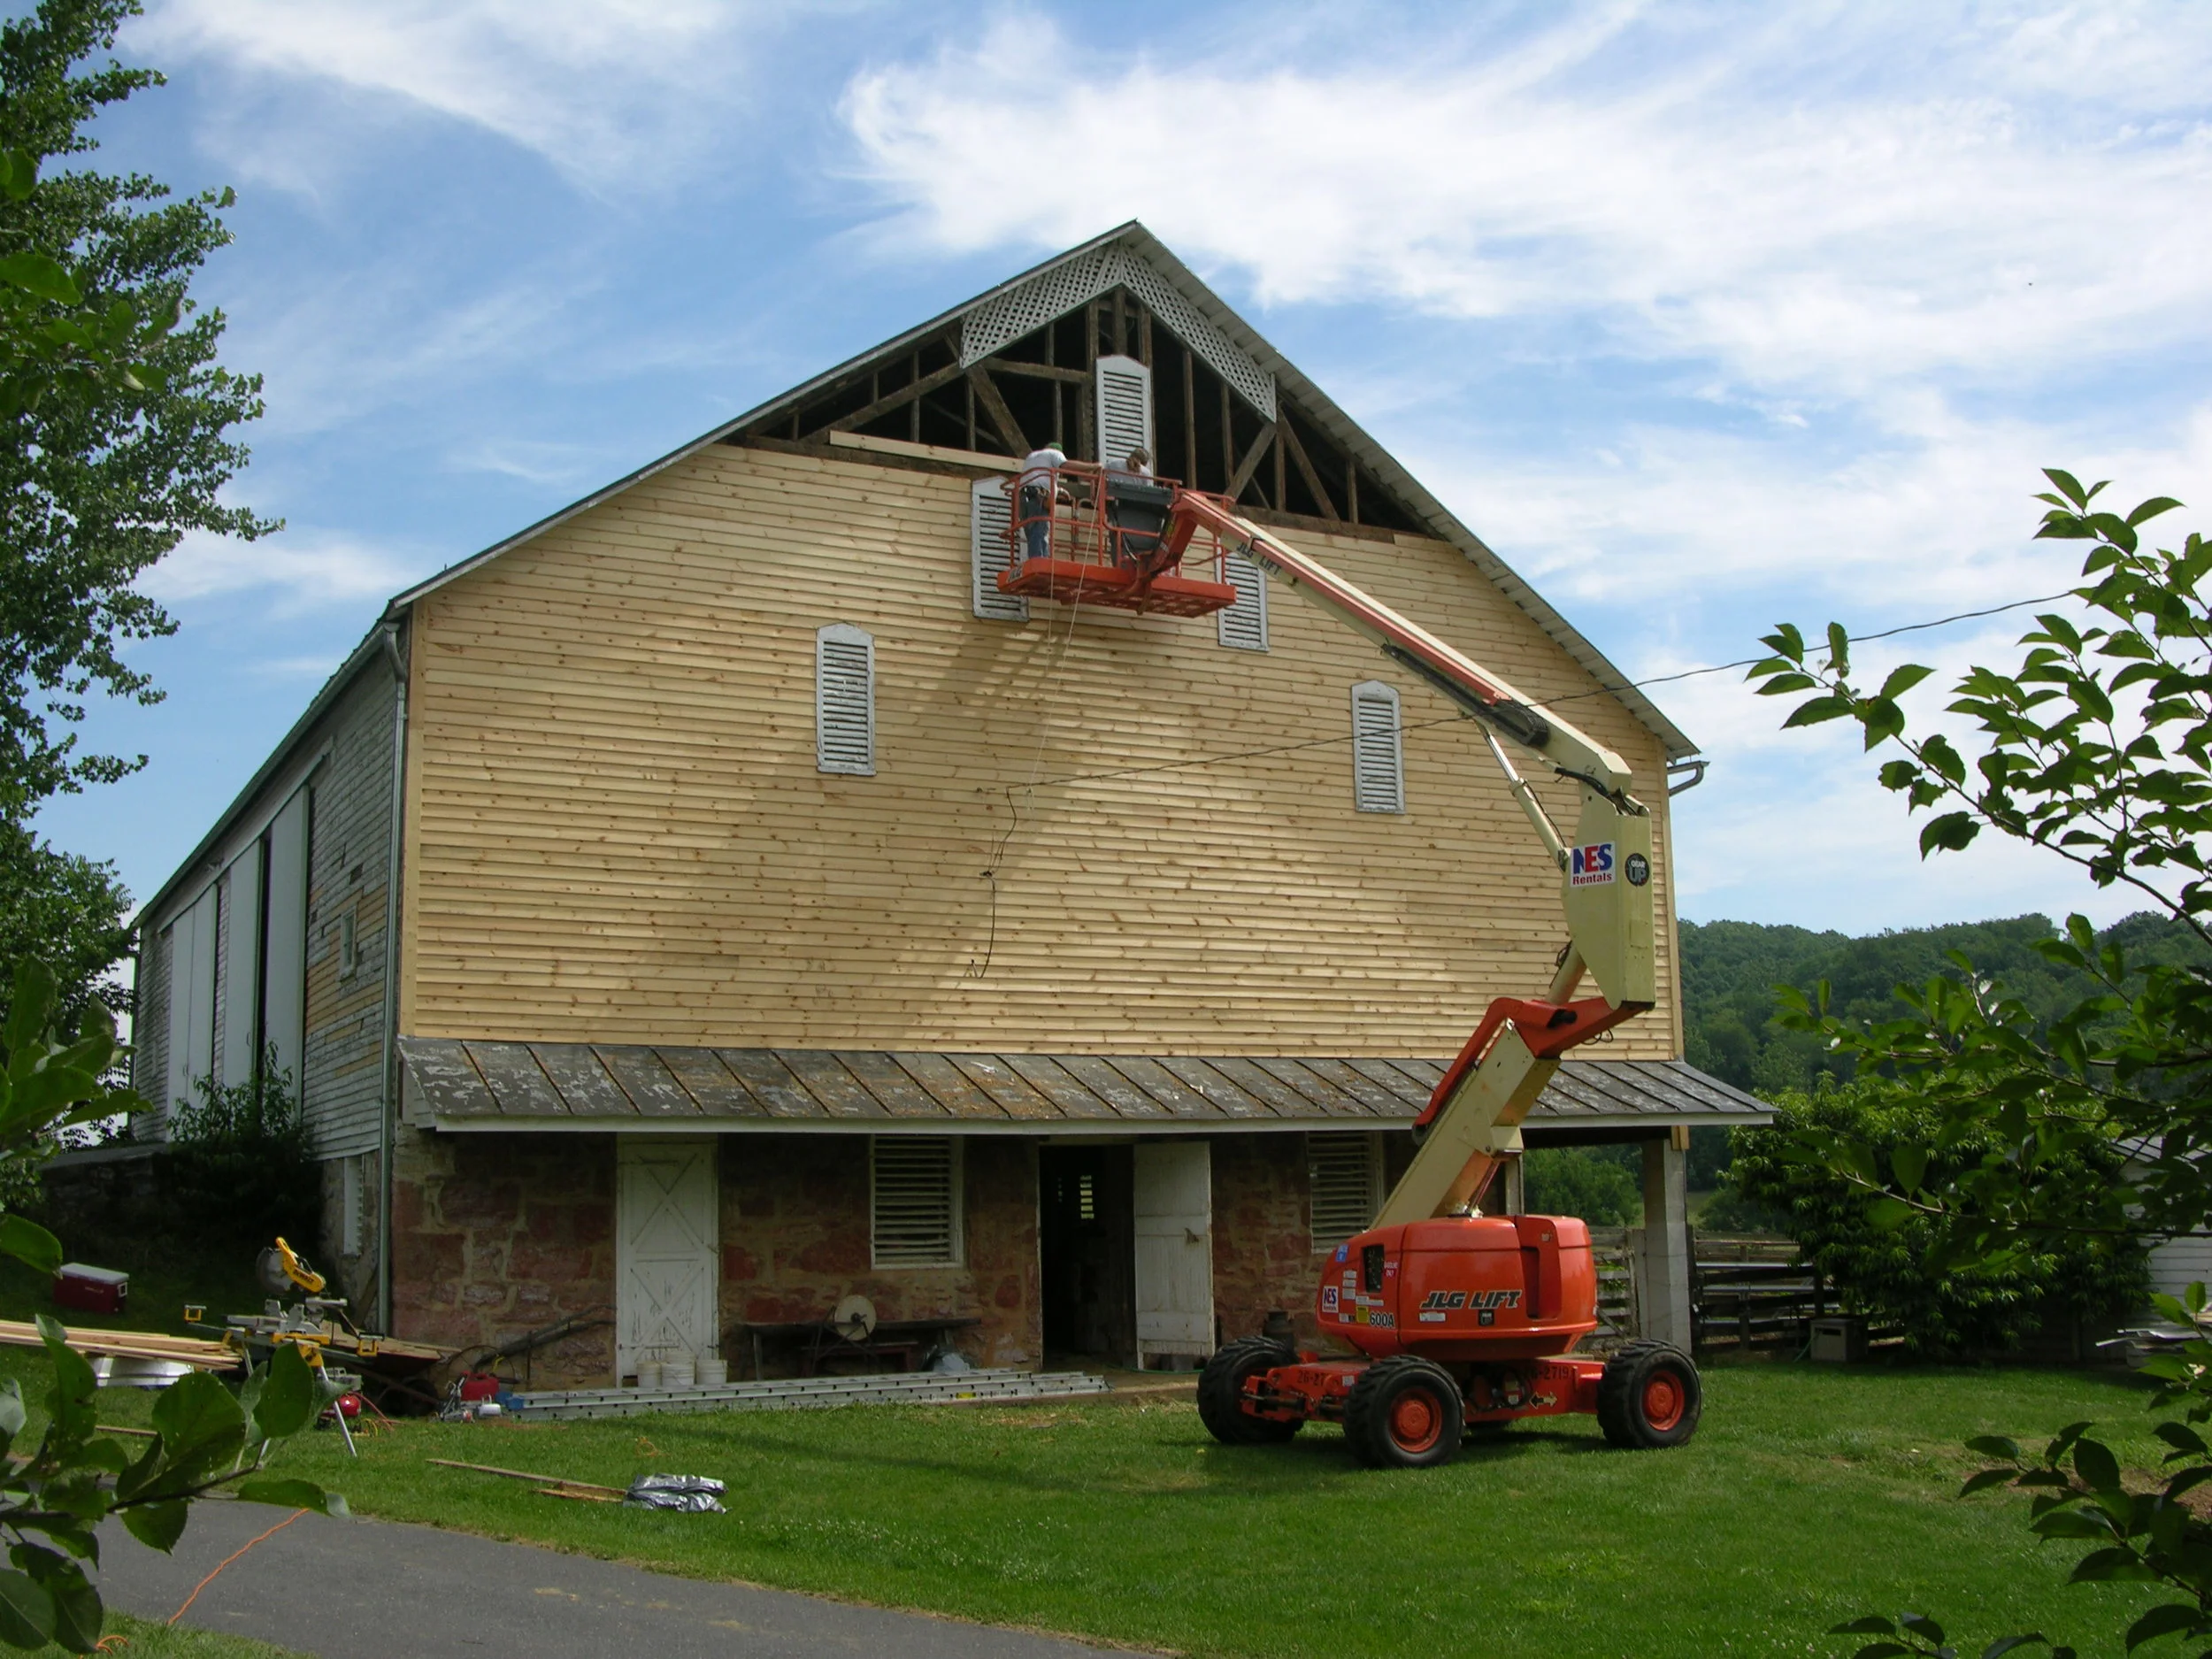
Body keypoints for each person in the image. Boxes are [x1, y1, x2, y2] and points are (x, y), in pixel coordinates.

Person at [1018, 442, 1067, 563]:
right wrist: (1092, 467)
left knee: (1031, 532)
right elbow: (1064, 467)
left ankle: (1036, 559)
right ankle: (1040, 561)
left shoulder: (1032, 456)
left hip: (1023, 497)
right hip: (1038, 497)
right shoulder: (1054, 454)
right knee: (1039, 532)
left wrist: (1059, 490)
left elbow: (1039, 479)